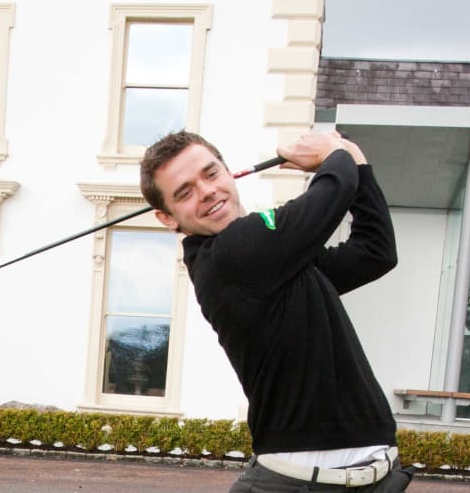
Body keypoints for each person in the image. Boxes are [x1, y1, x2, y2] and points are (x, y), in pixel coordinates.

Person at [140, 130, 414, 491]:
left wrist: (356, 159)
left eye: (210, 174)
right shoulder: (230, 255)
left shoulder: (276, 258)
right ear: (167, 217)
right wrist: (333, 152)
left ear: (228, 172)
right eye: (184, 192)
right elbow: (332, 192)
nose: (206, 191)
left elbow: (375, 251)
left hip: (375, 480)